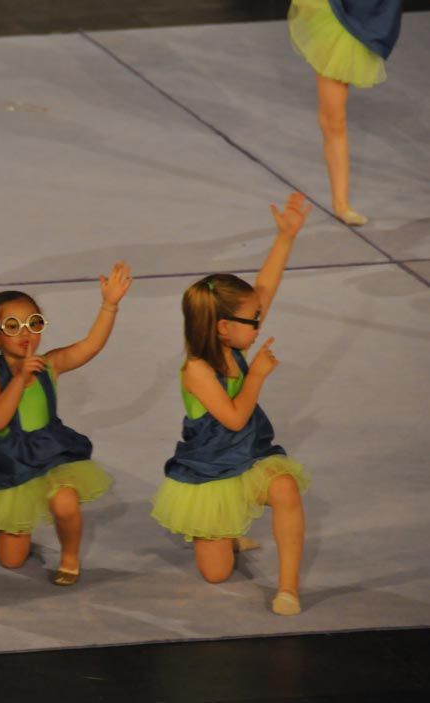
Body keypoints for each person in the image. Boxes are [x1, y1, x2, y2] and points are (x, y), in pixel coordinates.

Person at [151, 192, 312, 615]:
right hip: (210, 471)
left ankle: (288, 587)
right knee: (217, 574)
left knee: (285, 487)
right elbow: (236, 418)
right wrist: (255, 375)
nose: (260, 324)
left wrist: (285, 238)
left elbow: (264, 288)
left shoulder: (234, 341)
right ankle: (224, 528)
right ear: (223, 327)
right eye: (253, 320)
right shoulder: (197, 370)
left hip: (249, 456)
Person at [0, 263, 131, 584]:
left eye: (33, 323)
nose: (26, 333)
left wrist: (109, 305)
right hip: (11, 458)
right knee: (11, 561)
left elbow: (90, 345)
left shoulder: (50, 364)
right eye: (13, 326)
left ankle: (70, 555)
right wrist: (19, 378)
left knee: (65, 503)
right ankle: (11, 524)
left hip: (50, 451)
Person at [288, 0, 404, 225]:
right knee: (334, 117)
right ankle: (341, 204)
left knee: (334, 117)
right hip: (333, 8)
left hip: (370, 8)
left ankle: (341, 204)